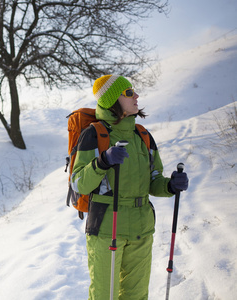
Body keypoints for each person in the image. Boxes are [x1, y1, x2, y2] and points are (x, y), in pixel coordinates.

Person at [70, 75, 189, 299]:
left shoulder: (142, 135)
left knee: (136, 296)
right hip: (106, 227)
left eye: (133, 91)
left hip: (141, 229)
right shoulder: (93, 135)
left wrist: (171, 185)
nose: (136, 96)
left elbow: (154, 181)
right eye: (128, 93)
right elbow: (78, 183)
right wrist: (102, 162)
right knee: (105, 295)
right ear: (112, 100)